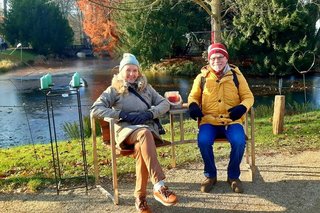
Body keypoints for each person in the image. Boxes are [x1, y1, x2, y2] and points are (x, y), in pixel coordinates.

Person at [91, 53, 178, 213]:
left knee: (141, 147)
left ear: (139, 71)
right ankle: (159, 186)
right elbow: (96, 109)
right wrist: (122, 115)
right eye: (128, 70)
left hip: (144, 134)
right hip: (125, 132)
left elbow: (164, 103)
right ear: (121, 71)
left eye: (135, 70)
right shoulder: (113, 90)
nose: (132, 74)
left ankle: (140, 198)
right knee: (144, 133)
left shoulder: (146, 88)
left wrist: (150, 114)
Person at [188, 43, 254, 193]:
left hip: (232, 121)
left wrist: (242, 107)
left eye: (220, 57)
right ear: (209, 60)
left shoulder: (237, 76)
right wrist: (192, 105)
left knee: (239, 141)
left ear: (226, 58)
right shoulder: (201, 78)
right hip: (209, 121)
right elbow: (193, 96)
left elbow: (248, 97)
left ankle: (233, 176)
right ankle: (210, 176)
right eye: (213, 58)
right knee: (203, 141)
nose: (216, 60)